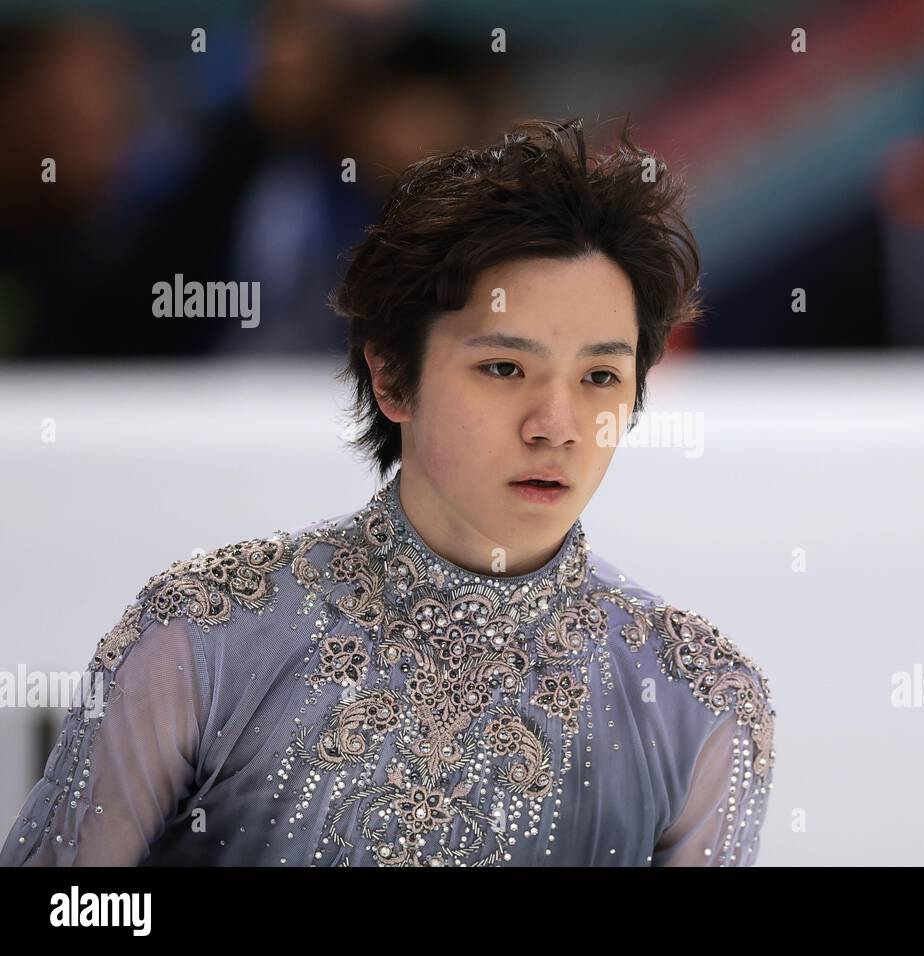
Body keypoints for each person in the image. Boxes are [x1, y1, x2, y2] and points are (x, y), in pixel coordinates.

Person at [0, 117, 776, 867]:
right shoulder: (204, 638)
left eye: (600, 376)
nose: (556, 424)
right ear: (393, 377)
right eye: (505, 368)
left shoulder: (700, 699)